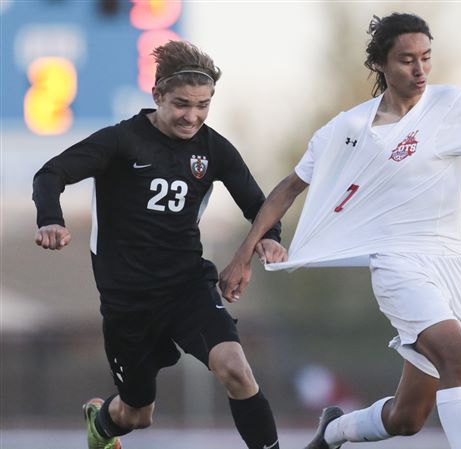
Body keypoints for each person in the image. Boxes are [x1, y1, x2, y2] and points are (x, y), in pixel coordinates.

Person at [219, 12, 461, 449]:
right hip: (397, 265)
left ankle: (332, 431)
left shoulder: (454, 105)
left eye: (426, 58)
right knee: (460, 356)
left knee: (408, 417)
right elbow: (287, 190)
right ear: (380, 66)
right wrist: (244, 255)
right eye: (407, 60)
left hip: (451, 265)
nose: (420, 69)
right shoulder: (347, 129)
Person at [32, 40, 286, 449]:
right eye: (182, 104)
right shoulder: (121, 141)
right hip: (128, 303)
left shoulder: (213, 148)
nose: (193, 116)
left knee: (235, 368)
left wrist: (269, 241)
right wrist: (50, 220)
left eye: (203, 105)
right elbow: (50, 174)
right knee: (138, 415)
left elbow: (259, 206)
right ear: (157, 95)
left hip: (187, 288)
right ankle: (101, 423)